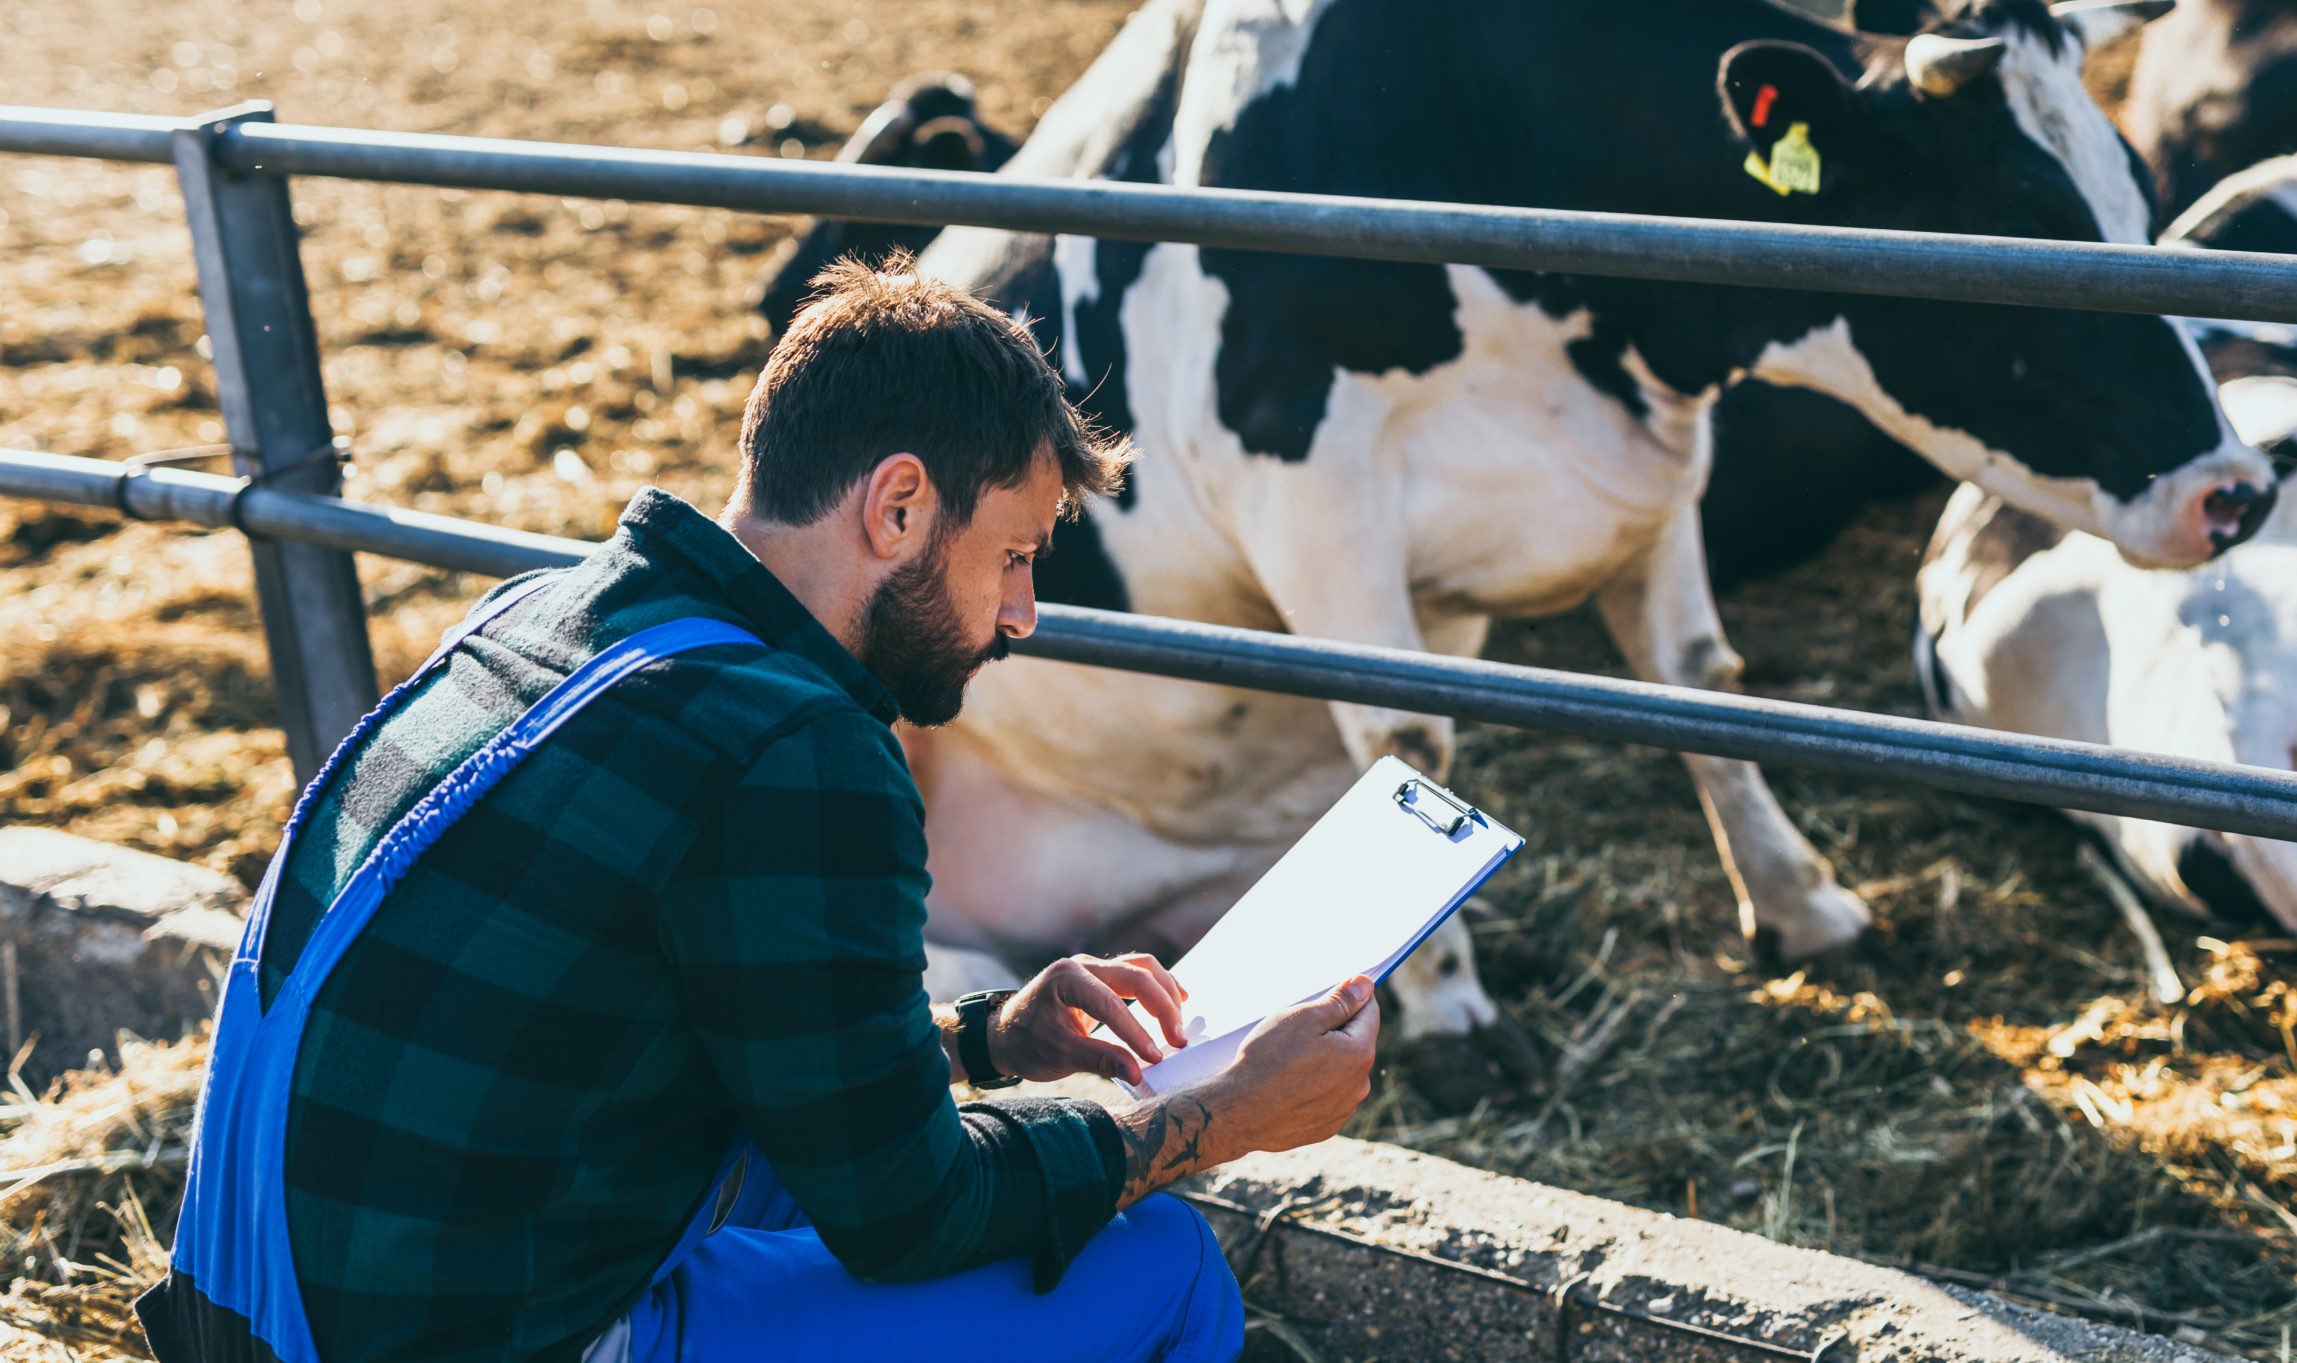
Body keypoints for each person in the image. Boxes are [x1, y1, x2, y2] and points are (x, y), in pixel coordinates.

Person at [137, 257, 1381, 1363]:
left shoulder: (552, 618)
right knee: (1158, 1270)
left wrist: (988, 1040)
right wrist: (1212, 1122)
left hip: (251, 1317)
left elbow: (717, 1037)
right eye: (1010, 553)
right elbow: (914, 1215)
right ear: (898, 508)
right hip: (487, 1334)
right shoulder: (801, 746)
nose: (1022, 614)